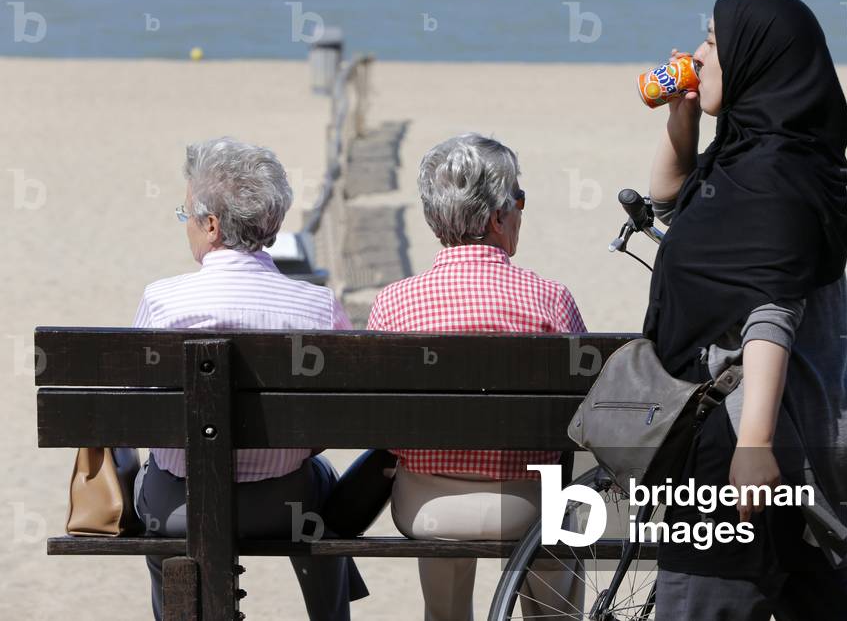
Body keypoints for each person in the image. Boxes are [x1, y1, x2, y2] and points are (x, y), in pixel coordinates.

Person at [643, 0, 847, 619]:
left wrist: (753, 445)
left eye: (712, 42)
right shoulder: (749, 153)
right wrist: (683, 116)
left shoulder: (778, 175)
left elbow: (771, 309)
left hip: (749, 437)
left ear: (755, 60)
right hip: (727, 428)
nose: (698, 56)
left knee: (708, 601)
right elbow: (669, 198)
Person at [131, 137, 368, 621]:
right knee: (324, 494)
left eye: (187, 215)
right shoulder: (317, 306)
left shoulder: (162, 302)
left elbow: (137, 413)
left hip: (178, 508)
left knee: (151, 505)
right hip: (282, 504)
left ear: (212, 225)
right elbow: (343, 416)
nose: (187, 227)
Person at [365, 133, 585, 621]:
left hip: (427, 506)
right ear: (496, 217)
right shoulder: (550, 299)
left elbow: (376, 420)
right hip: (528, 504)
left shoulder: (394, 302)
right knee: (564, 519)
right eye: (519, 200)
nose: (521, 213)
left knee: (444, 604)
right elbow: (582, 409)